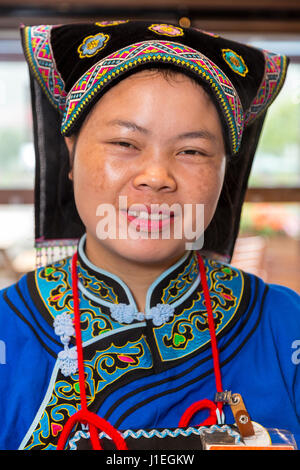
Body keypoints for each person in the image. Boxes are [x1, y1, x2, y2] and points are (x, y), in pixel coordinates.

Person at [0, 20, 299, 451]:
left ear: (223, 174)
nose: (156, 177)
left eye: (192, 151)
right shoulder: (9, 333)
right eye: (125, 143)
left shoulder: (284, 326)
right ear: (71, 152)